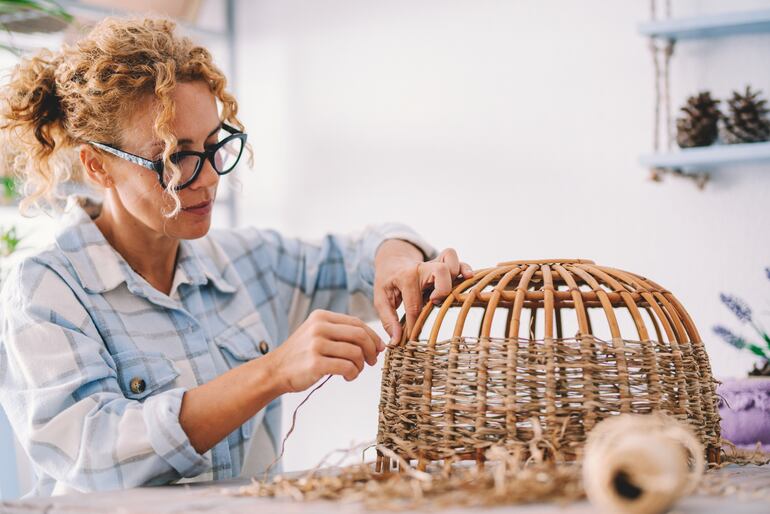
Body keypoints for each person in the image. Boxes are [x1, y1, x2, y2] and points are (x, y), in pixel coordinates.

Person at [0, 17, 472, 496]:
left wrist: (398, 263)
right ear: (97, 166)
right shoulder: (45, 291)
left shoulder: (244, 261)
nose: (208, 178)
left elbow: (364, 251)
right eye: (174, 156)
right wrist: (271, 373)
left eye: (213, 146)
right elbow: (95, 454)